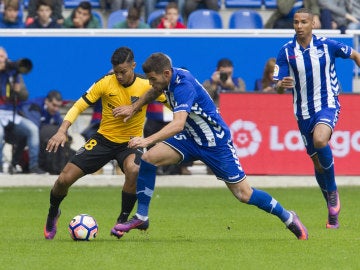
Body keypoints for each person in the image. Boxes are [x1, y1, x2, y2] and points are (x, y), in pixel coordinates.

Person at [110, 52, 309, 241]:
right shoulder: (166, 79)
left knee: (244, 194)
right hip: (190, 138)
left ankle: (288, 217)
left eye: (153, 79)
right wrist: (134, 107)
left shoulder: (183, 85)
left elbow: (178, 124)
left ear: (166, 73)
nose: (151, 83)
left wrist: (146, 140)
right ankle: (142, 218)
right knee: (148, 159)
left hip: (215, 143)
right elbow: (153, 91)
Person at [43, 46, 167, 240]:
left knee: (135, 170)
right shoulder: (105, 82)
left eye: (123, 72)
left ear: (133, 66)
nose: (119, 76)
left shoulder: (146, 85)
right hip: (103, 140)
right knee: (64, 179)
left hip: (131, 142)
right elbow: (79, 105)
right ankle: (53, 212)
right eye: (116, 72)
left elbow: (172, 103)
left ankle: (123, 219)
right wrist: (61, 130)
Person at [273, 8, 360, 229]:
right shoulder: (286, 52)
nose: (299, 26)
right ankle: (332, 214)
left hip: (328, 104)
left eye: (303, 22)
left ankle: (332, 191)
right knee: (318, 163)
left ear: (313, 23)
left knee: (321, 140)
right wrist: (280, 85)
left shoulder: (327, 45)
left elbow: (355, 55)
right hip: (302, 112)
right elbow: (277, 85)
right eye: (295, 22)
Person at [0, 47, 46, 174]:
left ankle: (33, 166)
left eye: (3, 57)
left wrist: (18, 90)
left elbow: (25, 96)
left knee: (32, 129)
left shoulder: (14, 73)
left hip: (12, 113)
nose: (2, 60)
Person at [18, 90, 74, 174]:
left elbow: (61, 127)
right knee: (42, 133)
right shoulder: (34, 106)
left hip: (37, 135)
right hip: (18, 131)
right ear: (47, 101)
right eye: (54, 105)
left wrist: (65, 136)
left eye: (58, 106)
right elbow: (35, 129)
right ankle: (34, 166)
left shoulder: (54, 112)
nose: (56, 109)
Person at [144, 101, 192, 175]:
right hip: (155, 112)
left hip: (176, 113)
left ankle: (183, 166)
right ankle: (154, 165)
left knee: (183, 136)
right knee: (150, 133)